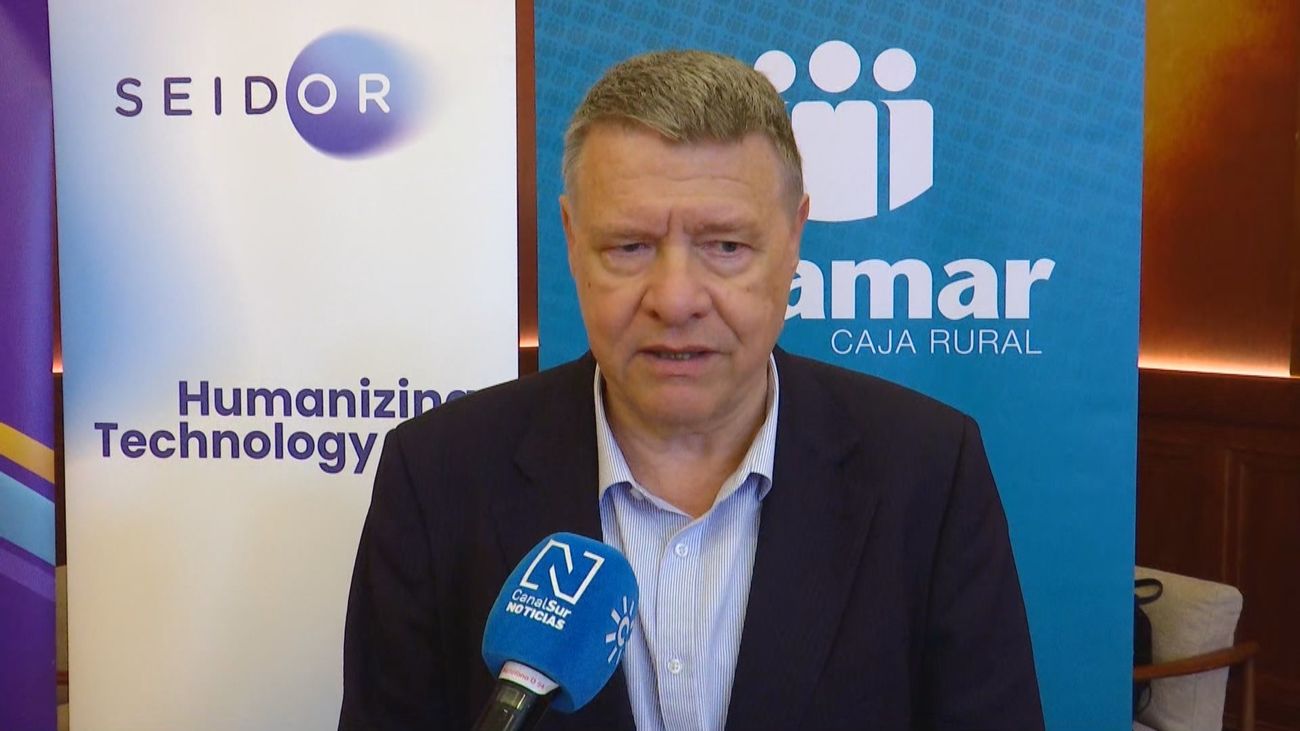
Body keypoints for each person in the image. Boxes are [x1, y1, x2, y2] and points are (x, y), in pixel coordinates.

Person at [338, 50, 1044, 731]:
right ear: (573, 240)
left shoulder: (929, 471)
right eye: (630, 246)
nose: (675, 299)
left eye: (726, 246)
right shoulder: (436, 477)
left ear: (794, 239)